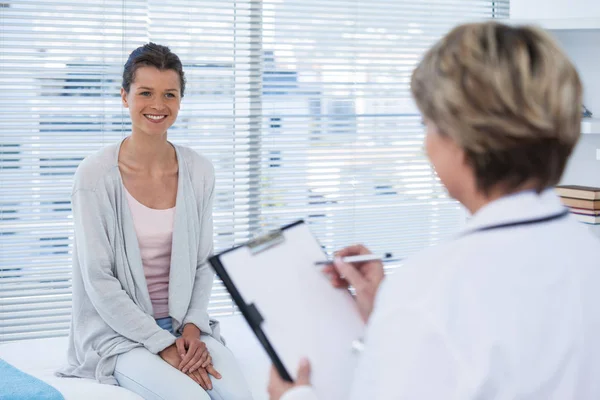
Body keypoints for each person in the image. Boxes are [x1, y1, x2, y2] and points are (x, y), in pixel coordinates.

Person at [268, 21, 600, 400]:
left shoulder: (432, 291)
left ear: (462, 138)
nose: (426, 145)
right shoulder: (588, 259)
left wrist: (295, 397)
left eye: (428, 124)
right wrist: (389, 317)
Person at [57, 43, 252, 400]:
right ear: (124, 97)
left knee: (239, 394)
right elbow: (99, 280)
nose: (158, 105)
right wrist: (161, 343)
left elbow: (202, 264)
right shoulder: (94, 176)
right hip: (119, 334)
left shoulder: (199, 170)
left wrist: (192, 329)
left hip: (184, 326)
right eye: (145, 92)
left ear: (180, 100)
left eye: (169, 94)